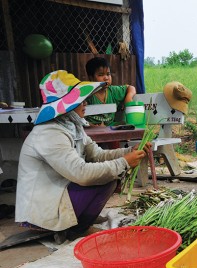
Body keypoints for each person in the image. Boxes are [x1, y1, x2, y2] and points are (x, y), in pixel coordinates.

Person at [15, 70, 150, 243]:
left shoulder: (71, 126)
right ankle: (76, 229)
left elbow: (97, 155)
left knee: (108, 177)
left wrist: (129, 152)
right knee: (104, 179)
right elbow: (82, 175)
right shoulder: (49, 132)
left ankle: (79, 225)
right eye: (80, 100)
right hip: (39, 209)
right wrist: (124, 162)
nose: (85, 103)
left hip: (58, 191)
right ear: (66, 104)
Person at [84, 57, 136, 126]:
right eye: (101, 75)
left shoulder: (113, 91)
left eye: (108, 74)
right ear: (91, 78)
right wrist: (92, 126)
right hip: (91, 131)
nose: (106, 78)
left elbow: (131, 88)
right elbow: (78, 118)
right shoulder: (86, 95)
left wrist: (128, 97)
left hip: (111, 129)